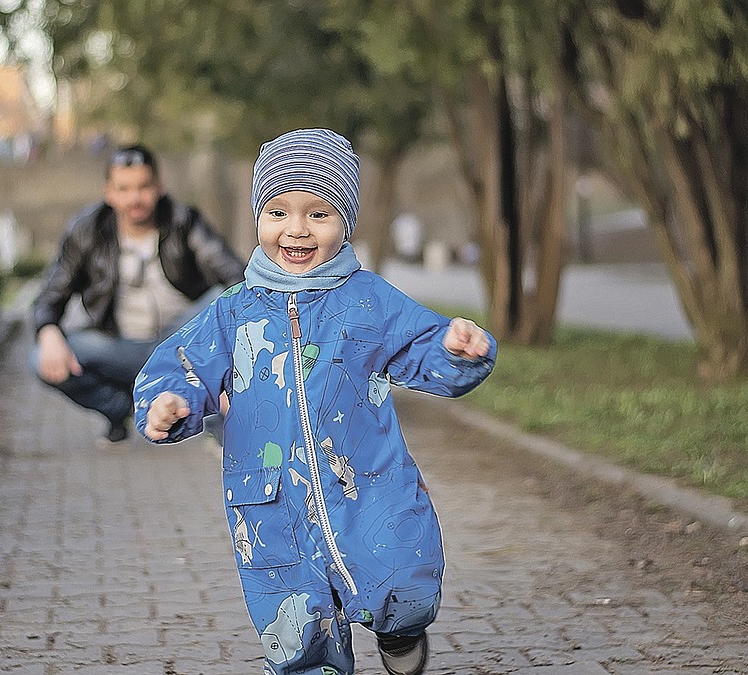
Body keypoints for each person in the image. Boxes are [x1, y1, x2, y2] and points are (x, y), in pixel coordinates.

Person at [132, 128, 496, 674]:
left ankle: (400, 631)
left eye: (317, 214)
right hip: (270, 505)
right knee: (296, 630)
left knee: (403, 578)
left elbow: (421, 346)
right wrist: (169, 403)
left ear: (345, 221)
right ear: (258, 218)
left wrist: (456, 351)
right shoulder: (233, 311)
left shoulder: (368, 300)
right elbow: (182, 367)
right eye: (277, 212)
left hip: (368, 486)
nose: (295, 229)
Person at [32, 144, 245, 443]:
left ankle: (213, 410)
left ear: (159, 187)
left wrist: (232, 365)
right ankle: (122, 408)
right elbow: (50, 295)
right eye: (124, 188)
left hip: (180, 342)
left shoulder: (184, 220)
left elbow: (234, 275)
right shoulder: (86, 230)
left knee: (222, 300)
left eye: (144, 187)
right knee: (41, 356)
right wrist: (48, 331)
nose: (135, 198)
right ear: (109, 192)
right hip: (119, 346)